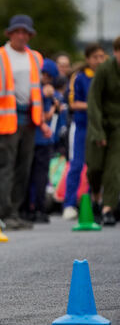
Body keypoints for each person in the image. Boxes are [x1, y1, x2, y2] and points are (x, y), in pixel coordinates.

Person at [0, 14, 52, 230]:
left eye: (25, 32)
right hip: (4, 121)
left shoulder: (35, 57)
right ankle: (1, 214)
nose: (21, 35)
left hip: (29, 120)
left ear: (29, 35)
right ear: (10, 33)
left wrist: (43, 121)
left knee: (22, 168)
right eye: (17, 31)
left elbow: (37, 91)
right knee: (3, 168)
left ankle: (14, 212)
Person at [62, 43, 106, 221]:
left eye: (102, 56)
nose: (99, 60)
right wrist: (93, 107)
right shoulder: (79, 77)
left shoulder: (106, 76)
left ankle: (92, 202)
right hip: (81, 127)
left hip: (101, 128)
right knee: (77, 165)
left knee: (97, 167)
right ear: (88, 59)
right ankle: (69, 204)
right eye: (95, 57)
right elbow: (73, 103)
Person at [85, 36, 120, 226]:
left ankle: (108, 209)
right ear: (115, 52)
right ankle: (96, 198)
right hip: (99, 124)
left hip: (118, 127)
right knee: (95, 168)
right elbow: (94, 102)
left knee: (114, 169)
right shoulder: (105, 70)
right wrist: (98, 132)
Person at [24, 59, 62, 223]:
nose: (46, 78)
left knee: (30, 175)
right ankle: (38, 208)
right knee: (38, 176)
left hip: (34, 138)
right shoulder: (43, 92)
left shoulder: (33, 90)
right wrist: (54, 106)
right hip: (41, 138)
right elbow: (45, 116)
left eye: (48, 75)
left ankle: (27, 208)